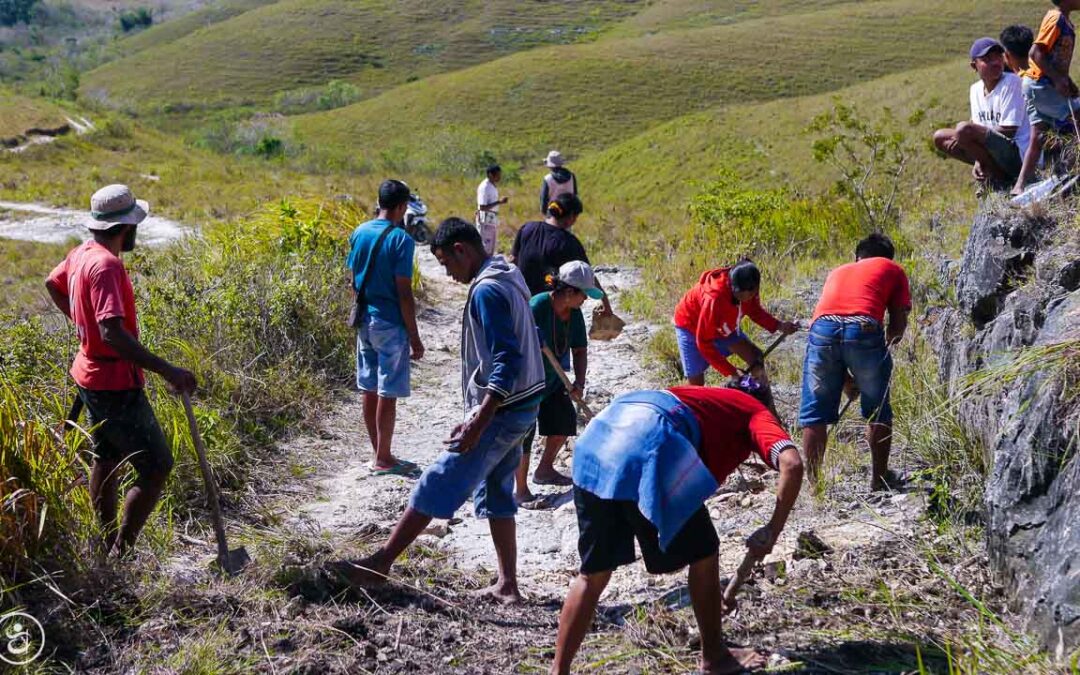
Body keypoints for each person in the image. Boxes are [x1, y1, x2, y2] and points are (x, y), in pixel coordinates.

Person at [344, 217, 545, 603]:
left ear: (461, 250)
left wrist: (479, 420)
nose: (448, 274)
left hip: (505, 410)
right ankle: (508, 585)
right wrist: (477, 410)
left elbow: (506, 359)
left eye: (445, 264)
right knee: (498, 492)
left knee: (438, 478)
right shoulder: (510, 273)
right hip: (522, 405)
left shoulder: (487, 290)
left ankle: (379, 564)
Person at [550, 384, 803, 675]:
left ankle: (559, 670)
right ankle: (715, 658)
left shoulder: (705, 400)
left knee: (592, 573)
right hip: (650, 445)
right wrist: (772, 530)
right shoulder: (755, 410)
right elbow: (792, 464)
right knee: (705, 552)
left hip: (596, 444)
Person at [44, 184, 197, 557]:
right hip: (112, 382)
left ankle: (105, 543)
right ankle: (121, 551)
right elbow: (112, 332)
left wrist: (83, 325)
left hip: (88, 374)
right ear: (127, 227)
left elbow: (52, 282)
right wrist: (168, 370)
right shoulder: (107, 266)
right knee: (157, 464)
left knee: (106, 458)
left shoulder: (81, 253)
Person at [799, 233, 910, 492]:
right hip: (863, 326)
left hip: (822, 329)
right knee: (877, 408)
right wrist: (878, 362)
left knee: (815, 412)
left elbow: (835, 336)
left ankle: (815, 486)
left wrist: (847, 379)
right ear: (887, 258)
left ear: (857, 257)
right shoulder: (893, 269)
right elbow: (897, 326)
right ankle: (879, 480)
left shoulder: (838, 271)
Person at [346, 179, 425, 476]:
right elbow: (404, 292)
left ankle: (378, 452)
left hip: (364, 317)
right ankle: (384, 458)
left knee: (368, 386)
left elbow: (353, 279)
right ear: (403, 207)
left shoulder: (359, 231)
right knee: (387, 390)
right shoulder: (401, 240)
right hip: (389, 322)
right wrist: (415, 337)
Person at [514, 260, 603, 506]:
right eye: (584, 294)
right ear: (569, 291)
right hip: (526, 380)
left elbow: (580, 350)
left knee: (564, 420)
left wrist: (579, 383)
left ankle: (544, 470)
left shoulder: (574, 315)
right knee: (525, 433)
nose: (586, 300)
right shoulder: (537, 306)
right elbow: (517, 340)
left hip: (554, 379)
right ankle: (521, 490)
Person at [673, 261, 798, 387]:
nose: (745, 298)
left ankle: (761, 399)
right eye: (738, 294)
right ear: (732, 285)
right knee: (696, 387)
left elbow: (754, 311)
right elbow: (704, 342)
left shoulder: (750, 287)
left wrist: (779, 325)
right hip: (690, 326)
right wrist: (732, 372)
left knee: (756, 357)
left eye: (751, 294)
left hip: (723, 327)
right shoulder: (714, 298)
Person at [932, 38, 1031, 192]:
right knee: (940, 137)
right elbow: (978, 127)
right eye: (986, 59)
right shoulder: (975, 90)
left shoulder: (1012, 82)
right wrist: (977, 154)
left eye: (998, 56)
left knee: (964, 130)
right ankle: (994, 174)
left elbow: (1009, 130)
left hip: (1018, 155)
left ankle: (999, 178)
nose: (995, 62)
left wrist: (972, 142)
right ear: (974, 66)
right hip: (993, 153)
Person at [1013, 0, 1080, 196]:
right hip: (1042, 84)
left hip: (1039, 84)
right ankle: (1068, 172)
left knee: (1037, 136)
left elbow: (1054, 59)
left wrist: (1067, 80)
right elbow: (1036, 53)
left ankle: (1019, 186)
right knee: (1076, 116)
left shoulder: (1065, 22)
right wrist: (1058, 79)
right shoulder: (1056, 18)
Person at [510, 193, 612, 314]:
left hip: (519, 301)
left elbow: (512, 261)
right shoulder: (569, 243)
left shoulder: (527, 229)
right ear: (571, 217)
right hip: (549, 307)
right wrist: (606, 304)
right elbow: (587, 276)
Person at [476, 164, 507, 256]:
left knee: (492, 245)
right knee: (485, 245)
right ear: (490, 174)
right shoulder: (484, 187)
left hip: (491, 218)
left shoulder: (492, 186)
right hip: (485, 218)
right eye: (497, 175)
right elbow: (482, 207)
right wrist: (499, 202)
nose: (499, 177)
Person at [539, 150, 577, 215]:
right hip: (568, 212)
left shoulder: (547, 179)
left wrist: (544, 212)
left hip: (553, 212)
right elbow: (575, 194)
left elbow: (544, 199)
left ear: (550, 165)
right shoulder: (571, 176)